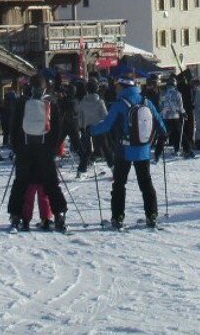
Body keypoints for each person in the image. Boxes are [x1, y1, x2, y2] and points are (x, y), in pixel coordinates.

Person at [89, 75, 167, 229]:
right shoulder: (146, 101)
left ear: (123, 87)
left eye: (118, 85)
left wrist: (90, 130)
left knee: (119, 184)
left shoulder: (120, 104)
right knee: (146, 183)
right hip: (143, 149)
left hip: (124, 150)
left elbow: (107, 125)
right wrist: (162, 135)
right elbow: (160, 123)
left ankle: (118, 217)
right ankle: (151, 215)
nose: (116, 88)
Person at [7, 75, 69, 232]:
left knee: (21, 183)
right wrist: (53, 148)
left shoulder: (22, 102)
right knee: (51, 183)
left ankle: (16, 215)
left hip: (25, 148)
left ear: (30, 86)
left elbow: (14, 126)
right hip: (45, 149)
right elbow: (57, 129)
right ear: (45, 87)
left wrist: (15, 147)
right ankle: (59, 214)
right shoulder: (51, 103)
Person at [75, 80, 108, 177]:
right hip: (99, 128)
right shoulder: (100, 102)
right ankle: (113, 169)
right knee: (105, 148)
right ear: (97, 89)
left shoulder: (82, 103)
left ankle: (80, 171)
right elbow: (105, 116)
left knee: (87, 150)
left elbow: (79, 117)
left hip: (87, 128)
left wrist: (81, 127)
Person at [157, 78, 185, 159]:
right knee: (179, 134)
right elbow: (180, 106)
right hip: (175, 117)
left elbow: (160, 105)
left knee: (163, 135)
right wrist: (183, 113)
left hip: (165, 117)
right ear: (175, 84)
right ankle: (183, 150)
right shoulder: (177, 93)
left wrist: (162, 112)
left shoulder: (162, 94)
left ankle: (157, 154)